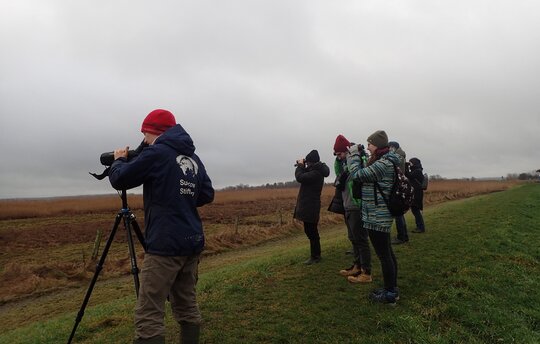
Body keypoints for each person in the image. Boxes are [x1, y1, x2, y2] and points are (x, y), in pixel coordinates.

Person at [109, 109, 214, 344]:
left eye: (145, 134)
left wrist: (118, 160)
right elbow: (207, 193)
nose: (144, 140)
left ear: (152, 131)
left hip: (165, 245)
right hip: (192, 242)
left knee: (149, 310)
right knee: (186, 302)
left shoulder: (157, 153)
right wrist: (180, 196)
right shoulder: (194, 159)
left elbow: (121, 179)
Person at [347, 130, 400, 304]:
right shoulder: (384, 161)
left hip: (378, 215)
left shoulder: (384, 163)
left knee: (384, 255)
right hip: (377, 214)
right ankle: (391, 288)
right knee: (387, 254)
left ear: (376, 145)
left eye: (369, 144)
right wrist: (361, 155)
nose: (367, 147)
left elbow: (357, 175)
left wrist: (354, 155)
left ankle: (390, 293)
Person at [332, 135, 372, 283]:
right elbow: (337, 173)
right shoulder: (342, 165)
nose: (339, 156)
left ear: (347, 151)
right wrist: (338, 159)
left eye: (340, 153)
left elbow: (360, 175)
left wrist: (352, 156)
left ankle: (366, 272)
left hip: (357, 205)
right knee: (353, 238)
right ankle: (357, 266)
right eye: (336, 154)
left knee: (361, 240)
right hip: (347, 205)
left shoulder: (358, 162)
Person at [294, 149, 330, 264]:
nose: (307, 164)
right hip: (311, 206)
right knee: (310, 231)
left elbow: (300, 177)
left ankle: (316, 256)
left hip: (311, 206)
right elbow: (305, 173)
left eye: (309, 162)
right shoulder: (316, 170)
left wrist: (300, 166)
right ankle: (315, 255)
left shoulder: (316, 173)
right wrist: (303, 165)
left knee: (312, 232)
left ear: (312, 162)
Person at [388, 141, 409, 244]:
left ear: (393, 147)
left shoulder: (398, 156)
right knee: (399, 213)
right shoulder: (401, 155)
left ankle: (401, 236)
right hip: (399, 185)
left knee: (398, 213)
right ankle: (404, 235)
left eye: (389, 147)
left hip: (397, 185)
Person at [405, 157, 426, 233]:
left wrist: (405, 167)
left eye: (410, 163)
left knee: (416, 210)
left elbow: (409, 176)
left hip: (417, 193)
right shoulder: (417, 170)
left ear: (414, 163)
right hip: (417, 192)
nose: (409, 164)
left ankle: (420, 227)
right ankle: (419, 227)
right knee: (415, 210)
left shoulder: (417, 171)